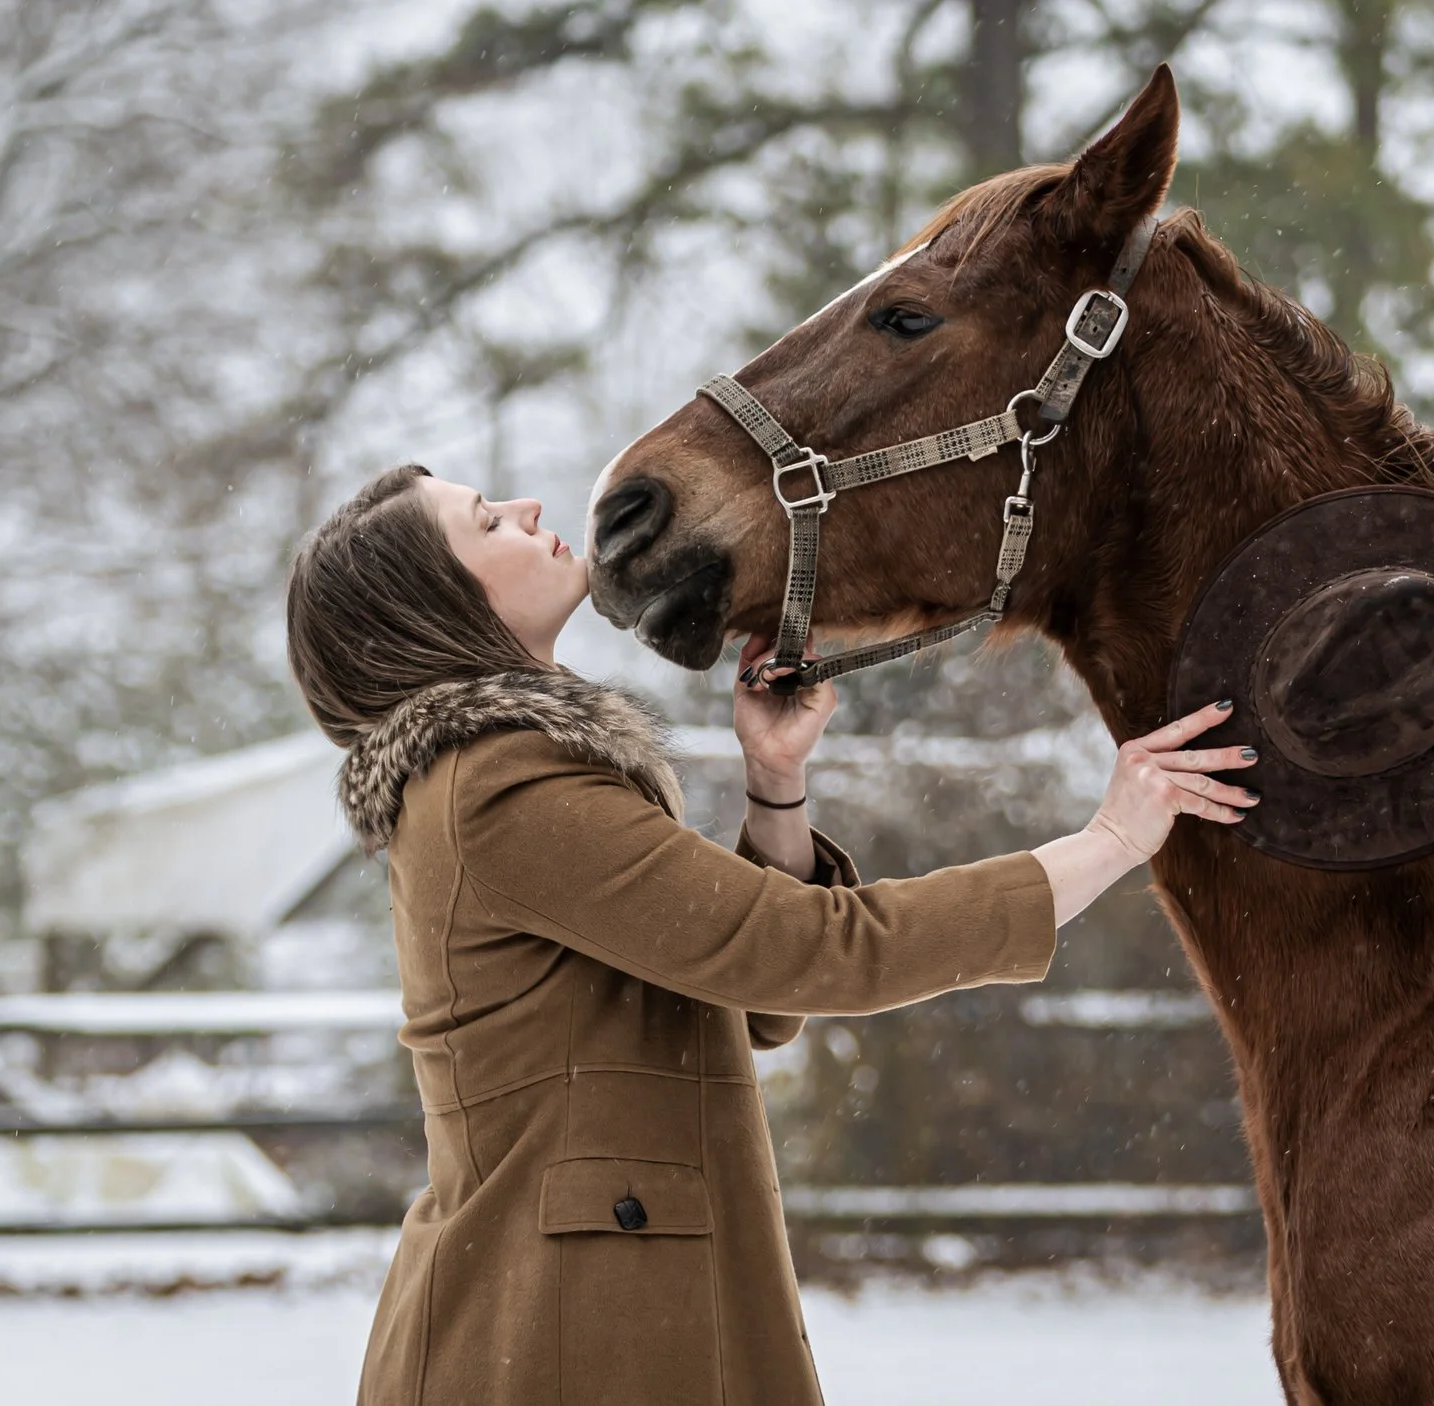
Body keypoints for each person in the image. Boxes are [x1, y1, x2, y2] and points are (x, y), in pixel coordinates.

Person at [283, 464, 1256, 1406]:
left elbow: (754, 997)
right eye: (484, 521)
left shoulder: (507, 774)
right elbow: (819, 949)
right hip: (563, 1331)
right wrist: (1110, 840)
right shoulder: (501, 785)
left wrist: (774, 780)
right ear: (436, 604)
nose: (523, 502)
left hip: (593, 1308)